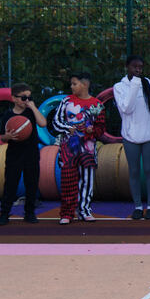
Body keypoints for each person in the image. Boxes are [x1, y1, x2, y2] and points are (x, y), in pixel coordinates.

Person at [112, 55, 150, 220]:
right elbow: (126, 108)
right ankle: (137, 206)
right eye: (134, 67)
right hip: (130, 136)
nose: (138, 70)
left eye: (140, 67)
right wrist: (135, 84)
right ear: (127, 67)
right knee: (134, 171)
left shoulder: (148, 84)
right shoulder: (119, 87)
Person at [51, 72, 104, 224]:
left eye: (74, 83)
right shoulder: (66, 101)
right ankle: (67, 213)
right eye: (71, 84)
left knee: (87, 180)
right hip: (68, 149)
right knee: (68, 179)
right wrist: (68, 128)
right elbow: (56, 122)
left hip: (88, 149)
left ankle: (84, 211)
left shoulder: (97, 104)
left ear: (85, 85)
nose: (71, 86)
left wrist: (92, 131)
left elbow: (101, 128)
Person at [0, 83, 45, 226]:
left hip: (31, 153)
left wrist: (33, 107)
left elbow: (43, 123)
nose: (27, 100)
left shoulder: (31, 112)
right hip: (14, 154)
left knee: (32, 184)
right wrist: (7, 137)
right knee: (10, 184)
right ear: (14, 98)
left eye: (29, 97)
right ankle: (4, 213)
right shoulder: (8, 115)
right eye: (24, 98)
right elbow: (2, 138)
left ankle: (29, 213)